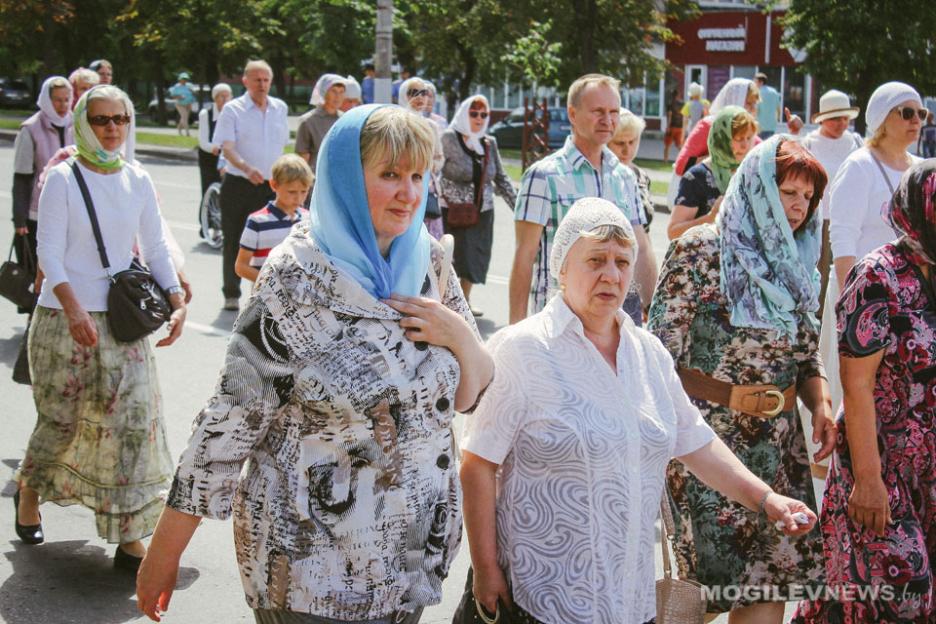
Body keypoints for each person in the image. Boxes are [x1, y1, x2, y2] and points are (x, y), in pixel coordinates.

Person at [136, 104, 494, 624]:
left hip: (407, 565)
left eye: (417, 175)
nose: (409, 192)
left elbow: (470, 395)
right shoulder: (294, 280)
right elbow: (227, 425)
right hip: (310, 572)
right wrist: (163, 554)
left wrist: (460, 334)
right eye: (389, 175)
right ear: (345, 180)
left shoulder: (429, 261)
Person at [461, 197, 819, 624]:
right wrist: (486, 570)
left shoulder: (647, 354)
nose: (611, 275)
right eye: (595, 260)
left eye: (622, 262)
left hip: (628, 599)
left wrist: (766, 499)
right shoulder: (522, 349)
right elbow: (477, 464)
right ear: (561, 267)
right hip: (542, 596)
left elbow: (697, 443)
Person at [648, 137, 835, 622]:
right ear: (756, 188)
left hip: (779, 450)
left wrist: (820, 406)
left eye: (807, 197)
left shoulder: (797, 259)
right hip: (710, 446)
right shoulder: (701, 249)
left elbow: (805, 353)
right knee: (700, 598)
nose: (798, 207)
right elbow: (658, 354)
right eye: (788, 192)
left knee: (767, 589)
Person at [13, 85, 186, 568]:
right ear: (85, 125)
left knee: (131, 425)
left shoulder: (137, 177)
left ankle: (129, 534)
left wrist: (176, 301)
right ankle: (29, 492)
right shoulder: (63, 178)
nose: (112, 128)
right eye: (102, 120)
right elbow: (48, 252)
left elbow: (153, 248)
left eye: (120, 119)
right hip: (64, 321)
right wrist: (72, 308)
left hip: (123, 325)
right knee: (62, 421)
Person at [790, 159, 936, 623]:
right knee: (891, 594)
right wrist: (870, 482)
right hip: (883, 464)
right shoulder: (879, 277)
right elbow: (857, 387)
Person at [510, 73, 656, 327]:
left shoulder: (624, 177)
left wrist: (652, 308)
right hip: (558, 327)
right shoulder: (544, 176)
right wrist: (514, 332)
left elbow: (641, 249)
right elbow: (525, 257)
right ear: (572, 114)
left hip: (615, 327)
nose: (608, 120)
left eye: (613, 112)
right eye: (598, 111)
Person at [214, 59, 289, 312]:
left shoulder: (279, 108)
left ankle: (262, 292)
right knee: (235, 239)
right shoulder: (233, 110)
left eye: (266, 79)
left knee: (270, 241)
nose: (262, 84)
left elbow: (281, 147)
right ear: (245, 81)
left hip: (270, 185)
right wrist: (246, 168)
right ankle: (231, 293)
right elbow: (227, 147)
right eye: (257, 79)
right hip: (239, 184)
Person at [439, 95, 516, 316]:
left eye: (484, 114)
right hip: (452, 211)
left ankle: (464, 301)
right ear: (464, 113)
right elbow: (434, 171)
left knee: (475, 259)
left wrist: (519, 208)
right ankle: (446, 302)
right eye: (474, 114)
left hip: (482, 212)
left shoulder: (489, 143)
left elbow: (501, 177)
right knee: (452, 259)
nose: (479, 118)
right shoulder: (448, 139)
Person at [11, 76, 73, 280]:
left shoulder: (77, 125)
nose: (62, 105)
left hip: (71, 211)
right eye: (57, 99)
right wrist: (20, 219)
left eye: (66, 99)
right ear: (46, 99)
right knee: (38, 274)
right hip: (38, 213)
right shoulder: (30, 129)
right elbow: (22, 176)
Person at [668, 106, 757, 240]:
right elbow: (673, 232)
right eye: (739, 139)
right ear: (722, 139)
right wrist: (711, 217)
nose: (745, 146)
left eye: (749, 138)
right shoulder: (697, 177)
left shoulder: (751, 172)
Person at [235, 154, 312, 283]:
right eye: (291, 192)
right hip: (267, 299)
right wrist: (274, 282)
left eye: (304, 191)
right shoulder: (257, 221)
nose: (298, 198)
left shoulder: (308, 219)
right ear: (274, 185)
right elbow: (241, 266)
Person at [673, 77, 760, 176]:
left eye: (755, 104)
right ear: (734, 100)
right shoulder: (708, 126)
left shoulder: (750, 135)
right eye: (749, 103)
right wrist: (719, 158)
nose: (753, 109)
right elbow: (681, 166)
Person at [400, 76, 446, 239]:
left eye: (423, 92)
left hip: (426, 187)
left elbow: (439, 158)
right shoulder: (396, 124)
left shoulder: (431, 126)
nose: (420, 97)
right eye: (413, 92)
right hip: (401, 186)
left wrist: (424, 167)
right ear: (404, 95)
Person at [607, 109, 654, 229]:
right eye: (619, 143)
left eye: (632, 142)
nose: (627, 150)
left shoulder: (641, 176)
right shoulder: (602, 176)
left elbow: (645, 231)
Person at [295, 73, 346, 170]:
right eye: (334, 91)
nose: (338, 96)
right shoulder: (308, 121)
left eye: (341, 92)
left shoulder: (345, 120)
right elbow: (302, 159)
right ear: (324, 92)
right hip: (316, 179)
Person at [196, 82, 232, 198]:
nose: (225, 99)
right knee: (209, 188)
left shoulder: (233, 114)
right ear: (215, 98)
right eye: (222, 96)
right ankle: (208, 213)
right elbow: (203, 141)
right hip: (209, 157)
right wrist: (214, 147)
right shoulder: (205, 114)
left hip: (228, 155)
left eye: (228, 96)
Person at [754, 72, 782, 140]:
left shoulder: (758, 92)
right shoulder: (774, 92)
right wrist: (776, 120)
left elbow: (756, 110)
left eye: (755, 82)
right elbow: (778, 109)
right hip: (772, 126)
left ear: (761, 82)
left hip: (760, 126)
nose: (754, 84)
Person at [169, 71, 196, 136]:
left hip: (188, 104)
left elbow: (194, 93)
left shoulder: (189, 86)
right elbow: (172, 96)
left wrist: (192, 91)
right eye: (183, 79)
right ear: (180, 79)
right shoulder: (176, 87)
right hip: (179, 104)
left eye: (185, 79)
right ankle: (187, 133)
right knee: (184, 116)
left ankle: (179, 129)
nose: (184, 80)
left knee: (184, 117)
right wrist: (179, 97)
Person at [663, 89, 685, 162]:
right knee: (679, 145)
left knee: (667, 145)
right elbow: (684, 115)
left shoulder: (670, 103)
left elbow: (670, 115)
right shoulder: (682, 104)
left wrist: (668, 126)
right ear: (678, 95)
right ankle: (683, 159)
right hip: (680, 127)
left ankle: (665, 160)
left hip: (672, 126)